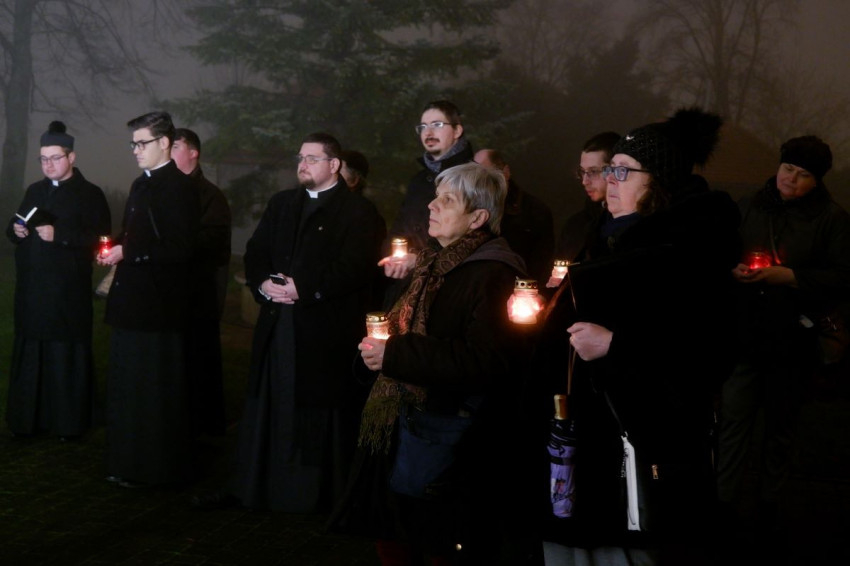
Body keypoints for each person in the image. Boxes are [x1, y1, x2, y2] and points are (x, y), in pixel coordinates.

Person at [537, 108, 741, 565]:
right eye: (610, 168)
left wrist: (617, 344)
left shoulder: (688, 252)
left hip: (641, 452)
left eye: (624, 171)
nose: (610, 180)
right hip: (584, 446)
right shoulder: (601, 237)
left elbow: (711, 349)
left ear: (659, 182)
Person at [328, 162, 531, 565]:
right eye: (436, 197)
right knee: (397, 537)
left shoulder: (492, 274)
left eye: (447, 200)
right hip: (409, 423)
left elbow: (487, 360)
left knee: (436, 543)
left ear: (478, 218)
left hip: (449, 438)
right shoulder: (435, 264)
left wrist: (395, 355)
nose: (432, 206)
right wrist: (377, 353)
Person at [228, 132, 383, 513]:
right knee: (273, 401)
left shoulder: (359, 212)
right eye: (300, 158)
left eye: (313, 158)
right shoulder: (282, 203)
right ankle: (262, 485)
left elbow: (356, 267)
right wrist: (263, 284)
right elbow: (256, 250)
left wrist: (305, 288)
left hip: (324, 331)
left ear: (335, 165)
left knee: (316, 411)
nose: (303, 165)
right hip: (278, 325)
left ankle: (310, 496)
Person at [716, 136, 850, 534]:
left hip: (794, 341)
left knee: (780, 427)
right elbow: (723, 251)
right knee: (733, 421)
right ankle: (723, 505)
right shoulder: (751, 205)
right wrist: (733, 269)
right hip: (746, 334)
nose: (791, 178)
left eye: (803, 174)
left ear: (817, 179)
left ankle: (769, 508)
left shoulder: (831, 219)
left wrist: (789, 277)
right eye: (788, 168)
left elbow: (843, 277)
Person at [98, 111, 200, 488]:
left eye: (142, 143)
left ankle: (153, 469)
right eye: (133, 144)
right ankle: (125, 462)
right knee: (127, 387)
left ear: (164, 143)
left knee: (153, 391)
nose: (135, 150)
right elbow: (135, 233)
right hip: (130, 303)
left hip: (158, 307)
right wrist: (115, 247)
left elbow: (180, 248)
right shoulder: (141, 185)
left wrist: (129, 252)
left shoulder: (181, 188)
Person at [5, 121, 111, 441]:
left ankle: (68, 423)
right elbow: (16, 225)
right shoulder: (35, 191)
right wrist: (15, 230)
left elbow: (101, 240)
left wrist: (60, 234)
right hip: (32, 292)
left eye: (55, 158)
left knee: (64, 354)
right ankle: (28, 420)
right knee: (32, 351)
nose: (48, 165)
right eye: (43, 159)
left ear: (71, 157)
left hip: (67, 293)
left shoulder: (90, 194)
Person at [172, 127, 232, 437]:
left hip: (199, 293)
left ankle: (202, 426)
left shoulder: (210, 196)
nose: (169, 152)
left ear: (193, 153)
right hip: (169, 293)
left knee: (198, 360)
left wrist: (173, 245)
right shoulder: (165, 191)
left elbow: (213, 244)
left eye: (176, 146)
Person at [381, 100, 474, 288]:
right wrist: (393, 258)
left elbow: (473, 240)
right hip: (410, 285)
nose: (428, 132)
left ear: (457, 130)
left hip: (451, 284)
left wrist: (420, 259)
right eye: (423, 127)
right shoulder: (419, 180)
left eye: (437, 124)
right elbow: (400, 226)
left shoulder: (473, 177)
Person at [474, 148, 555, 285]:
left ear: (505, 172)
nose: (478, 179)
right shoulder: (470, 206)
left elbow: (542, 262)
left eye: (484, 172)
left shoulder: (534, 211)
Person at [554, 131, 620, 266]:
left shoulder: (635, 225)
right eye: (582, 172)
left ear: (616, 170)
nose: (584, 181)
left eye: (593, 172)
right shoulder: (575, 227)